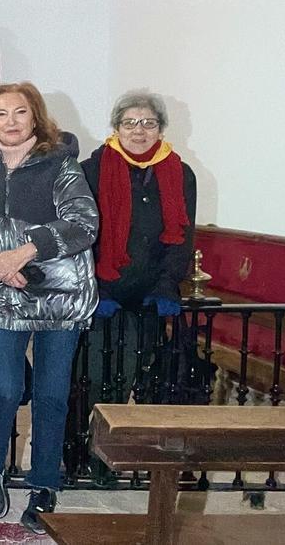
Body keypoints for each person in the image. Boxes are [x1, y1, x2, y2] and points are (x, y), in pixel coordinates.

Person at [0, 82, 98, 535]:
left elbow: (83, 224)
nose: (10, 122)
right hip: (3, 294)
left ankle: (45, 483)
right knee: (4, 388)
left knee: (51, 394)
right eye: (1, 114)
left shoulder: (61, 165)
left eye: (20, 113)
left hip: (59, 296)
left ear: (36, 118)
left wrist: (25, 252)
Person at [80, 91, 196, 442]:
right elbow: (81, 235)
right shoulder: (92, 169)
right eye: (129, 123)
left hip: (150, 293)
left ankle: (124, 452)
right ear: (116, 128)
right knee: (95, 377)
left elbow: (181, 236)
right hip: (103, 292)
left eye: (148, 123)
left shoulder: (180, 172)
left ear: (161, 129)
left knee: (139, 374)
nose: (139, 130)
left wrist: (166, 284)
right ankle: (82, 454)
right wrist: (96, 288)